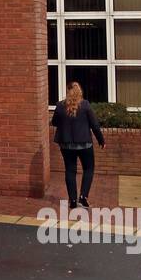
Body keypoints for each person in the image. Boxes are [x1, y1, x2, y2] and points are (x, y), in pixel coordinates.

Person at [49, 81, 104, 209]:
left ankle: (72, 200)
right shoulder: (85, 105)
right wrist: (101, 140)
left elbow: (55, 122)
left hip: (66, 145)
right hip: (85, 144)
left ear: (68, 92)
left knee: (70, 170)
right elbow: (94, 125)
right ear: (80, 92)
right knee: (88, 169)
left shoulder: (60, 106)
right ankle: (83, 197)